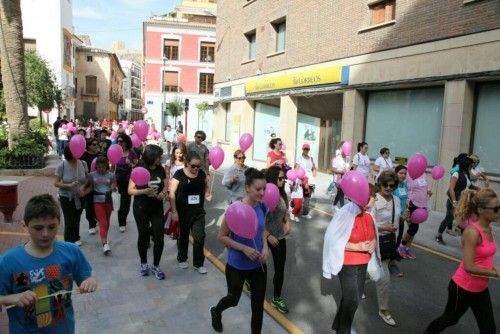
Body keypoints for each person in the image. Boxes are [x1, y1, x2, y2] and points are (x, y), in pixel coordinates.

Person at [0, 194, 97, 333]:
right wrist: (12, 298)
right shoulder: (8, 261)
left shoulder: (72, 251)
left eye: (52, 227)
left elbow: (86, 277)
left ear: (59, 223)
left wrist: (90, 281)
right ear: (24, 226)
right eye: (38, 228)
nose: (45, 234)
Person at [425, 188, 499, 334]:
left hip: (480, 287)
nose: (499, 211)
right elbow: (469, 266)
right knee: (450, 319)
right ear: (481, 210)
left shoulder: (489, 229)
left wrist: (494, 268)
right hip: (463, 287)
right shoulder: (472, 232)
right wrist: (495, 272)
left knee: (489, 329)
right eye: (496, 208)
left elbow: (483, 258)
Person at [210, 168, 270, 334]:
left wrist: (265, 247)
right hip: (237, 265)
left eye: (264, 188)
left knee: (258, 307)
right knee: (233, 299)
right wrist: (243, 248)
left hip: (258, 265)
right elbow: (222, 236)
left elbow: (262, 230)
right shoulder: (235, 209)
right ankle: (216, 311)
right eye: (258, 189)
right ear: (247, 188)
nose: (262, 192)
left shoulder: (263, 207)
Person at [323, 196, 376, 334]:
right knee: (352, 300)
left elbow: (373, 235)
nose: (375, 201)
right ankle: (343, 331)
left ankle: (338, 325)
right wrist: (357, 246)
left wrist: (373, 243)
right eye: (373, 198)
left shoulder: (369, 214)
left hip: (363, 262)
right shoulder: (346, 213)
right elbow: (333, 239)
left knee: (352, 298)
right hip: (347, 263)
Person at [128, 144, 168, 280]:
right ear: (152, 157)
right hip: (141, 208)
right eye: (159, 157)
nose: (161, 159)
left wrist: (164, 192)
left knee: (159, 237)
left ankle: (156, 265)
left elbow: (165, 183)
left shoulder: (160, 169)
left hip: (156, 207)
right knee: (143, 236)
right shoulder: (139, 169)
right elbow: (130, 190)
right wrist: (144, 191)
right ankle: (143, 263)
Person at [170, 151, 211, 274]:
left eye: (198, 166)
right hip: (183, 212)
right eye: (193, 166)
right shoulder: (179, 174)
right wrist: (174, 211)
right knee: (183, 236)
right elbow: (172, 193)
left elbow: (205, 189)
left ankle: (198, 263)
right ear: (187, 163)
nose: (196, 168)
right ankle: (182, 257)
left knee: (199, 237)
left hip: (198, 212)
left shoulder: (202, 174)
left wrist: (208, 193)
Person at [372, 171, 401, 326]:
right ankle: (383, 310)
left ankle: (362, 282)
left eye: (392, 185)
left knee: (375, 271)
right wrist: (382, 227)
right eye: (386, 185)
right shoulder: (374, 200)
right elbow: (367, 223)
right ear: (380, 185)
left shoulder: (396, 200)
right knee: (384, 277)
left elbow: (397, 218)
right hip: (375, 242)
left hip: (389, 242)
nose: (389, 188)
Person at [265, 166, 291, 314]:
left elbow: (283, 213)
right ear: (273, 178)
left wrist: (287, 222)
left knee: (279, 269)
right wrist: (268, 235)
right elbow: (259, 218)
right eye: (280, 178)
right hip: (265, 236)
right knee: (258, 266)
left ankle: (276, 298)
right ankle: (249, 280)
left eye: (284, 179)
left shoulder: (282, 194)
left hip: (280, 237)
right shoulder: (265, 193)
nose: (283, 181)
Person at [54, 145, 91, 245]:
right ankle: (68, 242)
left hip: (80, 196)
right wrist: (68, 185)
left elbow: (88, 178)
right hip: (66, 197)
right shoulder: (62, 166)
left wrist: (83, 188)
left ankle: (76, 237)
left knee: (77, 217)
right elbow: (56, 183)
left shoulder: (83, 163)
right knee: (69, 220)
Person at [436, 155, 474, 245]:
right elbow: (451, 189)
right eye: (470, 166)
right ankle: (438, 236)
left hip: (462, 200)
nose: (471, 167)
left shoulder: (466, 174)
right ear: (465, 165)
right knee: (448, 218)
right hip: (454, 201)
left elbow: (470, 186)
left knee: (463, 219)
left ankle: (465, 240)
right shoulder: (456, 174)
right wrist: (454, 202)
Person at [399, 169, 432, 259]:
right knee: (414, 227)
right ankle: (402, 246)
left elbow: (424, 186)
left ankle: (407, 248)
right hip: (411, 202)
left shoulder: (423, 174)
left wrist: (428, 191)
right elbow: (403, 185)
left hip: (421, 203)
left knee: (414, 228)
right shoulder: (409, 174)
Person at [89, 156, 117, 255]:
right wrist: (83, 191)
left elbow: (114, 185)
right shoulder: (92, 175)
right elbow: (90, 187)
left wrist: (113, 188)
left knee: (107, 221)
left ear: (107, 166)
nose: (101, 169)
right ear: (96, 166)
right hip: (97, 201)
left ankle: (104, 238)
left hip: (108, 200)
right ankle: (105, 244)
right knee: (103, 222)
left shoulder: (111, 175)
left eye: (103, 167)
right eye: (99, 167)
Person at [115, 133, 138, 232]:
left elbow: (137, 167)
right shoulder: (115, 151)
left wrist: (131, 164)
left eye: (121, 141)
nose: (119, 143)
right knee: (122, 201)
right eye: (118, 141)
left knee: (126, 202)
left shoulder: (132, 152)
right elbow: (112, 168)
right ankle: (122, 222)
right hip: (119, 180)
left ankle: (123, 218)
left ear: (126, 142)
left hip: (129, 180)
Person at [81, 138, 100, 235]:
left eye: (97, 144)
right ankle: (91, 224)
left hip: (99, 184)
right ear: (88, 146)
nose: (96, 146)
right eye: (94, 144)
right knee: (88, 206)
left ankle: (97, 219)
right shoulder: (83, 156)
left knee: (97, 205)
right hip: (88, 183)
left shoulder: (99, 156)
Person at [296, 143, 316, 219]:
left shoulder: (311, 158)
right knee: (299, 196)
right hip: (301, 179)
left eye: (307, 149)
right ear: (302, 149)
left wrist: (314, 172)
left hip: (310, 179)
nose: (306, 150)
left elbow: (314, 168)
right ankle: (293, 208)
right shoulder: (300, 158)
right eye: (305, 149)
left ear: (309, 150)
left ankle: (305, 213)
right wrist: (299, 177)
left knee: (307, 196)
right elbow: (297, 168)